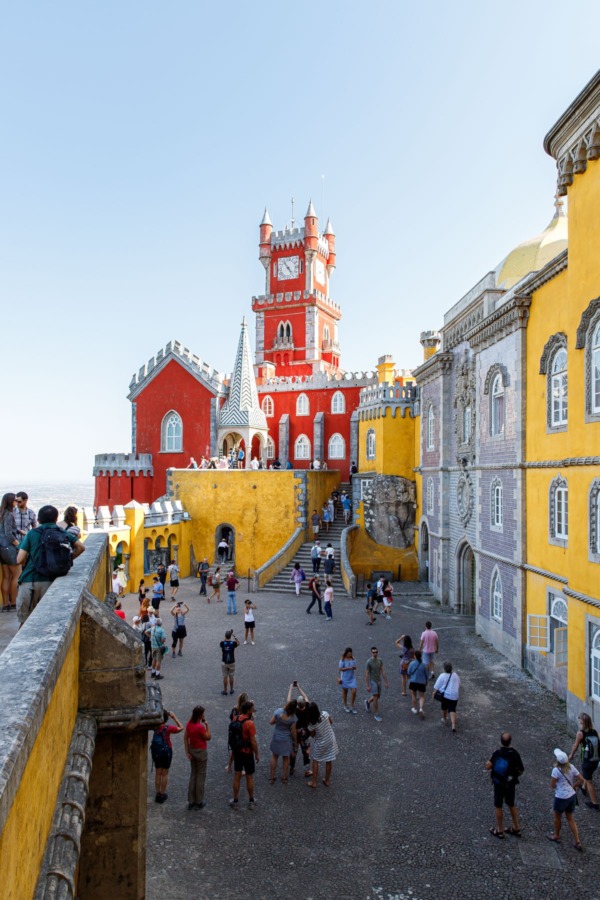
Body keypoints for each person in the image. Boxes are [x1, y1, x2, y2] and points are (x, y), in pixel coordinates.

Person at [16, 504, 85, 625]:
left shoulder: (32, 534)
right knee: (45, 623)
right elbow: (81, 547)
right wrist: (68, 559)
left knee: (25, 623)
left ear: (38, 520)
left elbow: (19, 559)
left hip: (30, 581)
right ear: (56, 519)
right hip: (51, 582)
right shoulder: (62, 532)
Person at [485, 732, 525, 838]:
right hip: (510, 783)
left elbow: (488, 766)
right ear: (510, 741)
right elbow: (521, 770)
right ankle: (516, 828)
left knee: (498, 806)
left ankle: (500, 830)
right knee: (511, 804)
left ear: (501, 741)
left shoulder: (498, 753)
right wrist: (513, 776)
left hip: (498, 783)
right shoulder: (515, 754)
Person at [548, 748, 584, 850]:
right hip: (571, 796)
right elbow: (581, 779)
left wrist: (558, 787)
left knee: (557, 817)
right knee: (570, 818)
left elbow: (552, 785)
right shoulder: (571, 767)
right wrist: (574, 786)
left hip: (561, 798)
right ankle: (577, 841)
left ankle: (556, 835)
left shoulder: (556, 770)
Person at [230, 700, 259, 810]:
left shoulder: (235, 718)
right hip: (247, 753)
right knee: (249, 776)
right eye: (252, 708)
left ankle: (235, 800)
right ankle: (251, 801)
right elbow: (253, 741)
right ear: (248, 710)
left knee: (237, 775)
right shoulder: (250, 724)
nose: (253, 710)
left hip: (237, 751)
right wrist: (257, 754)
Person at [150, 709, 183, 804]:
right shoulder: (168, 728)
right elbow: (181, 727)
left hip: (156, 752)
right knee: (164, 774)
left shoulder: (155, 727)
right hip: (166, 751)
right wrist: (174, 717)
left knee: (158, 773)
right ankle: (162, 794)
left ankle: (157, 793)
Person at [569, 712, 600, 809]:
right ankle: (583, 788)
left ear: (582, 723)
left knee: (589, 780)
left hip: (587, 760)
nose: (579, 722)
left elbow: (575, 746)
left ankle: (595, 803)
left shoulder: (580, 733)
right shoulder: (594, 732)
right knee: (587, 775)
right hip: (595, 760)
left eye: (580, 721)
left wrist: (571, 755)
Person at [184, 705, 211, 810]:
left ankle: (191, 800)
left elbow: (185, 737)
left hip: (192, 750)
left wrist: (187, 751)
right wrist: (207, 725)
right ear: (200, 715)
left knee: (193, 775)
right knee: (201, 776)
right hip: (201, 753)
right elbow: (208, 737)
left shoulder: (189, 724)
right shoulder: (200, 727)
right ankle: (199, 800)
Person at [306, 702, 338, 789]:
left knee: (315, 760)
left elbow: (312, 735)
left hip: (321, 743)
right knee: (329, 759)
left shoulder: (311, 725)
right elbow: (331, 722)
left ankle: (314, 782)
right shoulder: (324, 713)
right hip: (330, 739)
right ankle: (327, 780)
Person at [0, 493, 21, 611]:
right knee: (16, 576)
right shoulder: (8, 515)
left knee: (6, 577)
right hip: (9, 548)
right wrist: (19, 545)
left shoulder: (1, 514)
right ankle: (13, 603)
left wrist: (18, 531)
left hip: (1, 549)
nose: (17, 503)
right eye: (15, 500)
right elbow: (8, 534)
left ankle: (5, 604)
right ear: (10, 502)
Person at [269, 699, 298, 784]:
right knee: (286, 758)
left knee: (274, 756)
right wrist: (295, 742)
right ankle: (284, 777)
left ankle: (271, 777)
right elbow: (293, 731)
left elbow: (271, 722)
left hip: (277, 736)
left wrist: (277, 721)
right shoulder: (293, 717)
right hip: (286, 739)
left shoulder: (278, 711)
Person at [288, 683, 311, 778]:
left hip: (296, 733)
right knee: (306, 751)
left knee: (294, 750)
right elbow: (305, 696)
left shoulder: (294, 710)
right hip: (305, 733)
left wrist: (291, 688)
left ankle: (292, 768)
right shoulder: (308, 707)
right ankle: (307, 770)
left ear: (297, 704)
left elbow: (288, 701)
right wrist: (299, 687)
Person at [433, 661, 460, 732]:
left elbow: (437, 686)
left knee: (444, 707)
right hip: (455, 695)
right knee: (452, 709)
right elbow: (458, 683)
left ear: (444, 669)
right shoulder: (455, 675)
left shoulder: (442, 675)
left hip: (446, 695)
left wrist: (434, 693)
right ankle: (453, 725)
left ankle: (444, 718)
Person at [364, 646, 389, 722]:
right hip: (373, 681)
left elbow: (383, 671)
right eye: (373, 652)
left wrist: (386, 682)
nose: (375, 653)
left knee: (378, 696)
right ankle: (376, 714)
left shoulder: (380, 660)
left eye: (376, 652)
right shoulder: (369, 662)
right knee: (375, 697)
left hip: (379, 681)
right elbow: (367, 673)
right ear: (371, 653)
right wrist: (367, 685)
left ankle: (367, 702)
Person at [407, 649, 428, 717]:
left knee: (414, 695)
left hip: (413, 681)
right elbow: (426, 675)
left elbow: (408, 672)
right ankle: (421, 708)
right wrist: (426, 681)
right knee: (422, 696)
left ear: (415, 656)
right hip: (421, 682)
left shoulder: (412, 663)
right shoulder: (423, 665)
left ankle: (414, 708)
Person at [339, 647, 358, 714]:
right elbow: (340, 669)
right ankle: (345, 705)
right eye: (349, 654)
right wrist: (348, 668)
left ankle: (352, 705)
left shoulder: (353, 658)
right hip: (345, 678)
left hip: (352, 678)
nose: (350, 655)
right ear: (346, 653)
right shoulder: (343, 659)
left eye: (351, 653)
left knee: (354, 691)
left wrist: (354, 667)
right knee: (345, 691)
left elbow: (355, 667)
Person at [220, 629, 239, 695]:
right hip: (232, 662)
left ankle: (225, 690)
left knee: (225, 676)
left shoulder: (222, 643)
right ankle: (231, 689)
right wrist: (234, 636)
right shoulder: (233, 643)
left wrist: (226, 636)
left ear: (225, 636)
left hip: (224, 662)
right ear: (230, 637)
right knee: (231, 676)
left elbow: (223, 641)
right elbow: (238, 643)